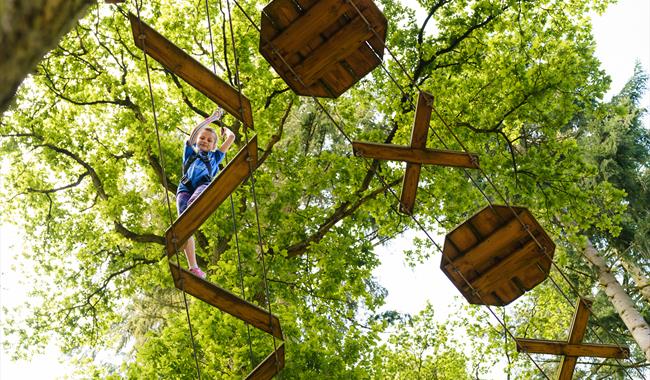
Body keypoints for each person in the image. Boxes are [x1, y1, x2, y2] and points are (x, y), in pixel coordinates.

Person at [176, 109, 235, 279]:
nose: (204, 141)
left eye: (209, 140)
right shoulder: (190, 152)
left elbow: (231, 139)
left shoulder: (216, 157)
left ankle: (192, 210)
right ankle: (193, 266)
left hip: (202, 186)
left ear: (214, 146)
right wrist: (210, 120)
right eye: (202, 138)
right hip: (185, 188)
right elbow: (193, 133)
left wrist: (226, 132)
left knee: (197, 198)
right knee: (184, 223)